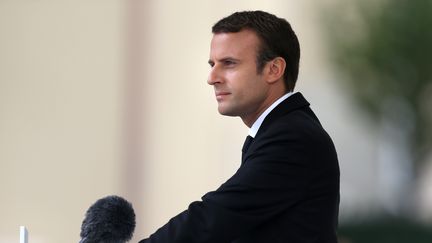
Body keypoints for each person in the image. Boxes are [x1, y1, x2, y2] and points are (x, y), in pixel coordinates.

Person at [139, 10, 340, 243]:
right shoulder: (282, 130)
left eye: (229, 64)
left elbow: (213, 218)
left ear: (274, 69)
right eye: (212, 64)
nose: (212, 77)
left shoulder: (293, 138)